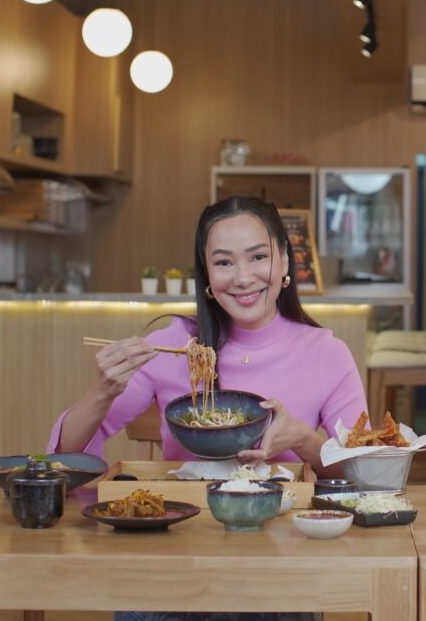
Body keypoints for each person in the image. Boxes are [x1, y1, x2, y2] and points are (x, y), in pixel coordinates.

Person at [49, 197, 368, 621]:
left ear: (284, 260)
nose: (243, 277)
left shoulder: (326, 352)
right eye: (223, 262)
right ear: (206, 275)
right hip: (173, 554)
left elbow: (363, 474)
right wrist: (99, 392)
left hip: (279, 563)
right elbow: (66, 461)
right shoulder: (174, 346)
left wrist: (305, 441)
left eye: (258, 257)